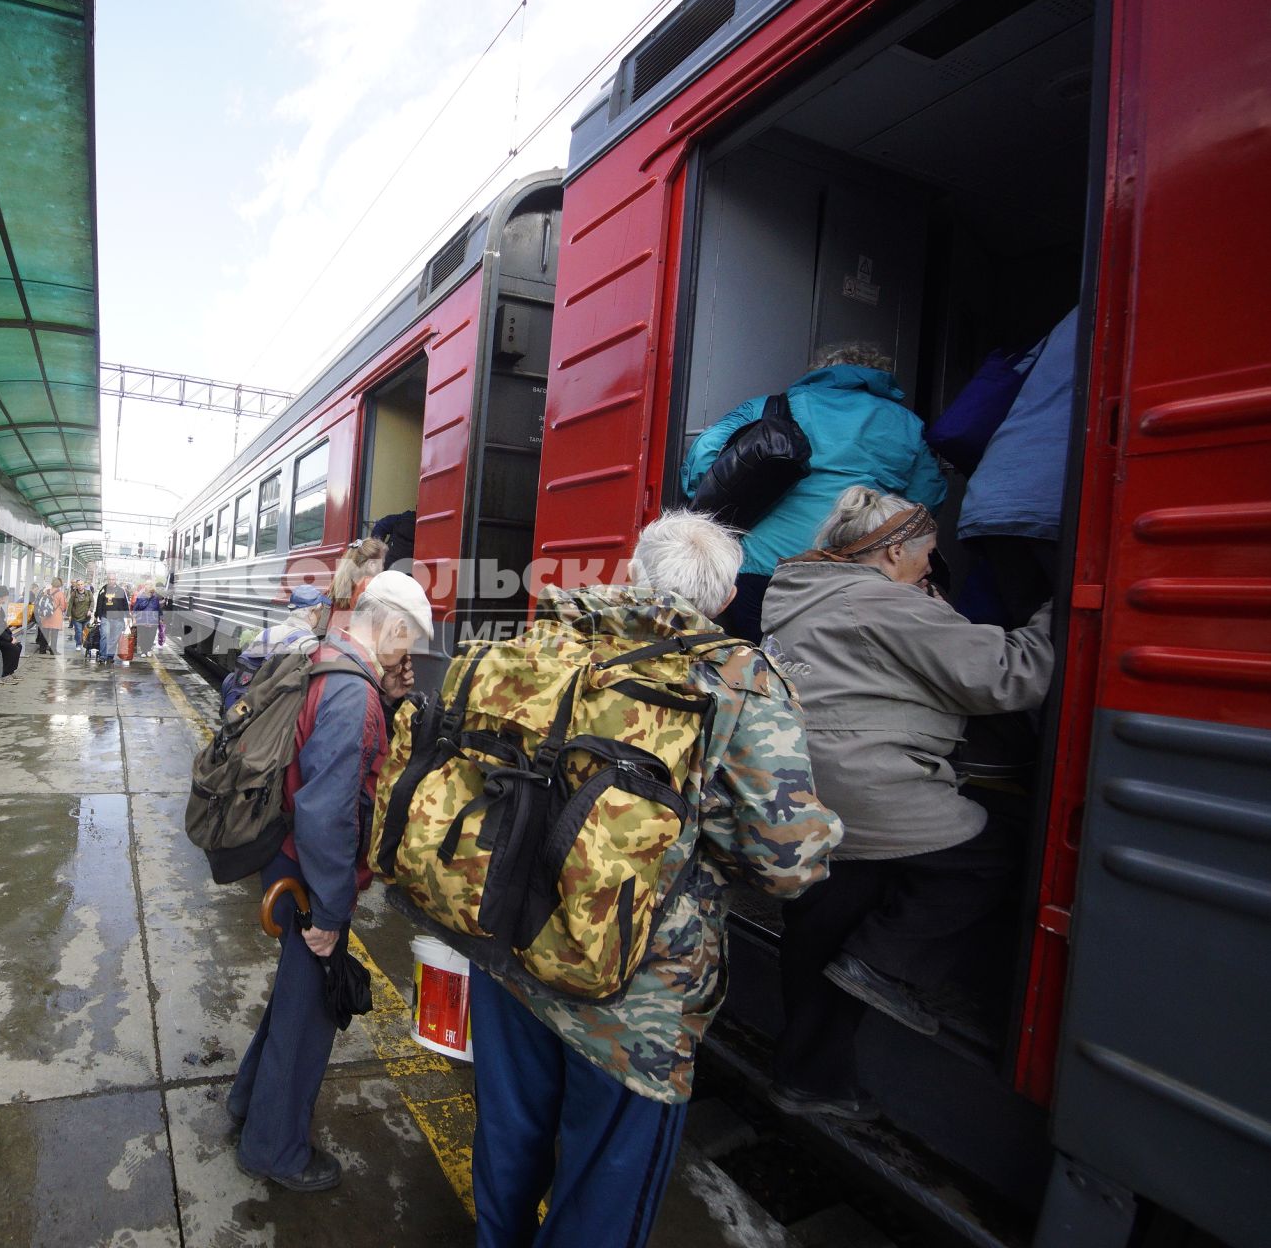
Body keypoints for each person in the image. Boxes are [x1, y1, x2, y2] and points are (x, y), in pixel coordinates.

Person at [467, 512, 842, 1247]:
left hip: (511, 946)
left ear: (631, 571)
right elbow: (787, 861)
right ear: (729, 597)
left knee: (507, 1146)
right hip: (631, 996)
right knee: (603, 1192)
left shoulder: (552, 634)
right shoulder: (740, 681)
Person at [760, 487, 1053, 1118]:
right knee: (991, 853)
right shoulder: (884, 603)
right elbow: (1007, 675)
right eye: (925, 557)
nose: (929, 568)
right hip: (872, 789)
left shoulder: (798, 593)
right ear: (894, 551)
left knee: (823, 923)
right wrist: (1063, 614)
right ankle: (885, 965)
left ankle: (809, 1078)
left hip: (802, 792)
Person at [229, 571, 431, 1193]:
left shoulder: (328, 655)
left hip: (289, 860)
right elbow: (328, 810)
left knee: (293, 998)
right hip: (308, 872)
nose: (409, 657)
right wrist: (332, 912)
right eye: (409, 642)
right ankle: (276, 1149)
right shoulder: (353, 694)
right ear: (392, 625)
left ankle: (246, 1107)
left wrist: (388, 698)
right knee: (308, 1015)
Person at [681, 341, 947, 641]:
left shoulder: (773, 406)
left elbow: (705, 452)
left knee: (762, 663)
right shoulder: (908, 425)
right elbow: (927, 498)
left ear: (821, 373)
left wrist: (716, 505)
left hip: (765, 566)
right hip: (854, 575)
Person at [957, 306, 1080, 627]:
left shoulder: (1056, 333)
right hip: (1049, 501)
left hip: (993, 494)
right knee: (1060, 631)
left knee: (1011, 623)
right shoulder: (1107, 310)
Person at [220, 584, 332, 713]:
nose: (321, 614)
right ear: (312, 612)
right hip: (271, 709)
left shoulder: (266, 633)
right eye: (321, 610)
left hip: (247, 702)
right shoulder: (309, 643)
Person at [330, 537, 386, 613]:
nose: (383, 568)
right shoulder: (370, 589)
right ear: (372, 565)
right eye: (382, 563)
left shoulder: (338, 584)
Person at [96, 574, 132, 664]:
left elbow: (125, 605)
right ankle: (102, 655)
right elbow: (99, 603)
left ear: (115, 580)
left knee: (114, 638)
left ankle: (110, 656)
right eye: (110, 579)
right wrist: (97, 615)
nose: (111, 581)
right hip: (105, 617)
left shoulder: (120, 591)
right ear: (107, 580)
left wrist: (128, 616)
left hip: (118, 618)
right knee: (105, 635)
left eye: (113, 579)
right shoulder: (103, 590)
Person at [132, 583, 162, 658]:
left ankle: (148, 649)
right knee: (143, 636)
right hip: (142, 620)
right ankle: (143, 651)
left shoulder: (155, 598)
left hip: (153, 620)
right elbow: (135, 608)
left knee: (151, 636)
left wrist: (161, 618)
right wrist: (134, 618)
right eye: (149, 592)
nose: (151, 594)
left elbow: (158, 608)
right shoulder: (140, 597)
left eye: (152, 592)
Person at [40, 576, 70, 656]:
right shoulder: (60, 594)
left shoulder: (46, 591)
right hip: (56, 615)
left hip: (46, 614)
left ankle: (42, 649)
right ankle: (53, 651)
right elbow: (63, 606)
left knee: (45, 633)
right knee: (54, 634)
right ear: (59, 585)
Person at [68, 579, 95, 656]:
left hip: (86, 616)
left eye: (81, 584)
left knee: (86, 632)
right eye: (78, 585)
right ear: (76, 586)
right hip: (76, 617)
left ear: (84, 585)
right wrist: (69, 615)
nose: (80, 586)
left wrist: (90, 610)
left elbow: (92, 602)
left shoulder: (89, 593)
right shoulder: (74, 594)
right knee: (79, 631)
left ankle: (86, 644)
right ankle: (78, 644)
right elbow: (70, 604)